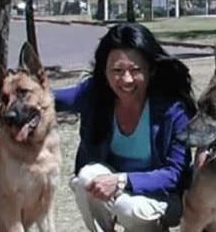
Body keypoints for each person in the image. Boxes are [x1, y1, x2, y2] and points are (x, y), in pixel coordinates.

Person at [54, 22, 196, 232]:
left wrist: (122, 181)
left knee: (127, 207)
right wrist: (14, 100)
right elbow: (48, 99)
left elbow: (174, 174)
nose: (126, 79)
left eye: (135, 70)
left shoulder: (172, 108)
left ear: (151, 69)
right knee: (86, 177)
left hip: (164, 198)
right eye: (117, 70)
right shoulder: (95, 94)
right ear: (104, 71)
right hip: (118, 192)